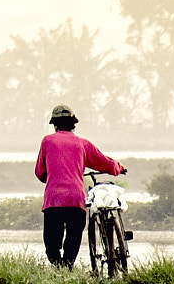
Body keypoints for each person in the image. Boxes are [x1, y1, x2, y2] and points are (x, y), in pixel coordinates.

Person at [34, 103, 126, 268]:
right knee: (74, 236)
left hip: (54, 199)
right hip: (76, 199)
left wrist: (51, 176)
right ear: (73, 124)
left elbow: (40, 172)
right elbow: (103, 162)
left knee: (52, 240)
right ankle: (67, 266)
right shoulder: (83, 144)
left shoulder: (47, 141)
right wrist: (119, 168)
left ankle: (57, 266)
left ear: (54, 125)